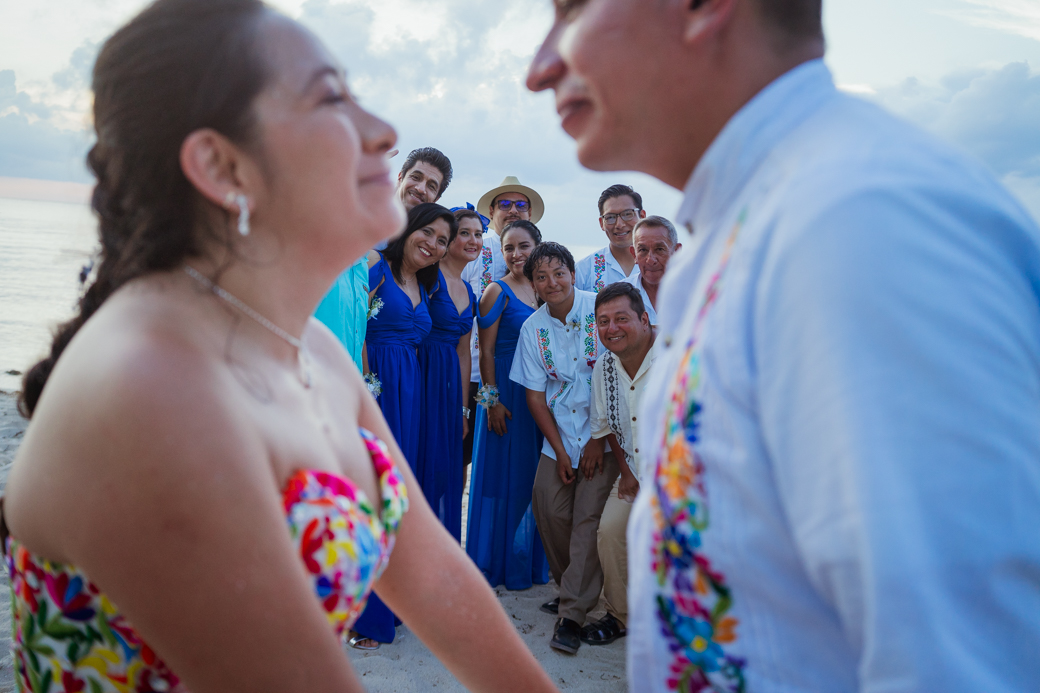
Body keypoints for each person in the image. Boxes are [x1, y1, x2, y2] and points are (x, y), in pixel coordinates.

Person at [3, 2, 560, 692]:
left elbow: (437, 575)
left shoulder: (315, 350)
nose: (384, 133)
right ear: (221, 164)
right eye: (332, 97)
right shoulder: (150, 390)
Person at [528, 0, 1040, 691]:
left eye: (573, 10)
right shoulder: (752, 223)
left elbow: (958, 654)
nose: (540, 67)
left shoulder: (855, 221)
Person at [354, 201, 453, 649]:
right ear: (409, 227)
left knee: (399, 500)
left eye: (442, 241)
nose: (433, 245)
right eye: (428, 233)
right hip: (378, 394)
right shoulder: (376, 266)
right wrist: (361, 391)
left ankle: (393, 605)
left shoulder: (427, 284)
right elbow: (355, 329)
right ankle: (366, 616)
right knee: (372, 495)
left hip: (412, 395)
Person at [511, 242, 616, 656]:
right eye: (541, 276)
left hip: (605, 437)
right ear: (533, 284)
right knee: (549, 508)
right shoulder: (533, 328)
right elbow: (536, 397)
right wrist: (561, 449)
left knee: (587, 517)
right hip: (561, 436)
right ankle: (571, 584)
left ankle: (571, 614)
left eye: (559, 273)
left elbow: (617, 378)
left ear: (574, 274)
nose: (551, 282)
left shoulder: (599, 310)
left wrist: (595, 440)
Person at [466, 220, 550, 590]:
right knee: (500, 479)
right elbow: (484, 350)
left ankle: (526, 560)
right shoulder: (496, 291)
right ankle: (492, 561)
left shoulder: (547, 289)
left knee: (531, 480)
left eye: (524, 246)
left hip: (539, 396)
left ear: (538, 247)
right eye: (509, 248)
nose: (517, 255)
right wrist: (491, 401)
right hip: (505, 395)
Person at [316, 148, 451, 362]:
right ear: (400, 176)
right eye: (416, 177)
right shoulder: (358, 211)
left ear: (436, 197)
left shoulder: (422, 253)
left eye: (431, 186)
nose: (420, 188)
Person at [582, 282, 658, 648]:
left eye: (622, 319)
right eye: (603, 321)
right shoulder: (604, 369)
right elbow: (608, 424)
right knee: (609, 531)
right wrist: (626, 475)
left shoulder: (676, 357)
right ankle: (622, 615)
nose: (611, 328)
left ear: (644, 320)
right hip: (634, 475)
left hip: (680, 480)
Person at [461, 176, 546, 460]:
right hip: (474, 375)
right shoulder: (472, 249)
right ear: (491, 212)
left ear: (530, 213)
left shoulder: (542, 263)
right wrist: (489, 397)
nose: (513, 209)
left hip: (532, 380)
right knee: (463, 456)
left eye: (520, 204)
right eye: (505, 204)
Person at [415, 207, 480, 543]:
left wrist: (464, 409)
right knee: (421, 460)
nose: (473, 240)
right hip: (422, 377)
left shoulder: (468, 291)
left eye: (478, 234)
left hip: (452, 386)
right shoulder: (427, 276)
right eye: (464, 233)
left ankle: (443, 545)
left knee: (448, 470)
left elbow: (464, 351)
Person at [574, 184, 644, 293]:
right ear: (601, 223)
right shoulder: (583, 271)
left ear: (642, 217)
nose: (619, 224)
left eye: (627, 214)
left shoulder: (656, 265)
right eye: (610, 217)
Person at [623, 216, 681, 328]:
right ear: (634, 254)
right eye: (643, 250)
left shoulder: (696, 292)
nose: (650, 260)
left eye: (659, 249)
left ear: (676, 252)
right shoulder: (620, 297)